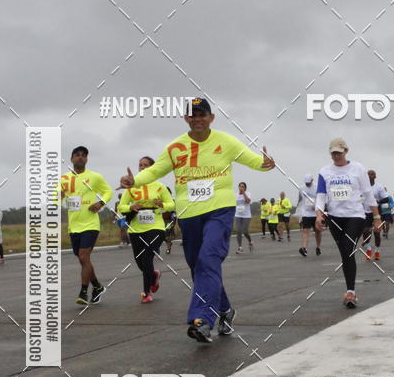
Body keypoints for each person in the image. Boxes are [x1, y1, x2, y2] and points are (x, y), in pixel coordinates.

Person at [119, 97, 274, 343]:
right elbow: (156, 170)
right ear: (186, 119)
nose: (197, 119)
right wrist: (135, 181)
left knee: (208, 258)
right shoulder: (175, 147)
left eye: (202, 114)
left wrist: (265, 163)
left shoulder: (226, 142)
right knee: (197, 266)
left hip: (219, 210)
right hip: (190, 214)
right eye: (192, 115)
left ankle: (202, 320)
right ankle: (225, 309)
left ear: (211, 118)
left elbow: (253, 160)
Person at [315, 137, 381, 308]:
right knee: (346, 254)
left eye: (339, 152)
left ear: (346, 151)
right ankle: (350, 290)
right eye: (333, 153)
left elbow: (367, 193)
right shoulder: (324, 172)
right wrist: (318, 215)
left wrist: (376, 217)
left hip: (355, 216)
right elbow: (321, 196)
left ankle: (351, 292)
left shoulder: (358, 169)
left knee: (348, 248)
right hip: (335, 217)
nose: (336, 156)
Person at [59, 146, 113, 304]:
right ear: (71, 159)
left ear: (87, 159)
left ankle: (83, 292)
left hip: (90, 224)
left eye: (83, 155)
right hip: (74, 226)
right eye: (77, 155)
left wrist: (100, 203)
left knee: (84, 256)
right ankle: (97, 286)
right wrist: (59, 196)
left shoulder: (94, 177)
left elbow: (108, 191)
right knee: (83, 260)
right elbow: (54, 199)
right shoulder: (64, 179)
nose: (80, 158)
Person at [117, 156, 174, 303]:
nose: (142, 168)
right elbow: (121, 207)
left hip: (155, 227)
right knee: (139, 261)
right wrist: (131, 207)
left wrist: (162, 204)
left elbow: (171, 205)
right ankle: (153, 275)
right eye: (140, 165)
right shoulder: (131, 188)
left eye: (146, 165)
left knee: (147, 257)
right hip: (136, 228)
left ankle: (146, 292)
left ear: (152, 168)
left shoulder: (159, 186)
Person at [296, 174, 321, 257]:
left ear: (312, 180)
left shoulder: (317, 187)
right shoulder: (301, 188)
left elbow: (321, 199)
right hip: (306, 213)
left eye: (309, 183)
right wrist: (299, 214)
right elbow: (299, 201)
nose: (307, 184)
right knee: (305, 230)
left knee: (317, 231)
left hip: (315, 213)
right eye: (306, 183)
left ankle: (318, 247)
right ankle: (304, 248)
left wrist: (317, 206)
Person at [235, 182, 253, 254]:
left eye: (243, 187)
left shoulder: (248, 193)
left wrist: (243, 193)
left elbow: (248, 201)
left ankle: (250, 241)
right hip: (238, 214)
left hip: (246, 215)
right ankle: (240, 248)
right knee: (239, 231)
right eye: (240, 186)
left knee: (245, 231)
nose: (241, 188)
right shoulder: (236, 194)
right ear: (238, 187)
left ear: (245, 188)